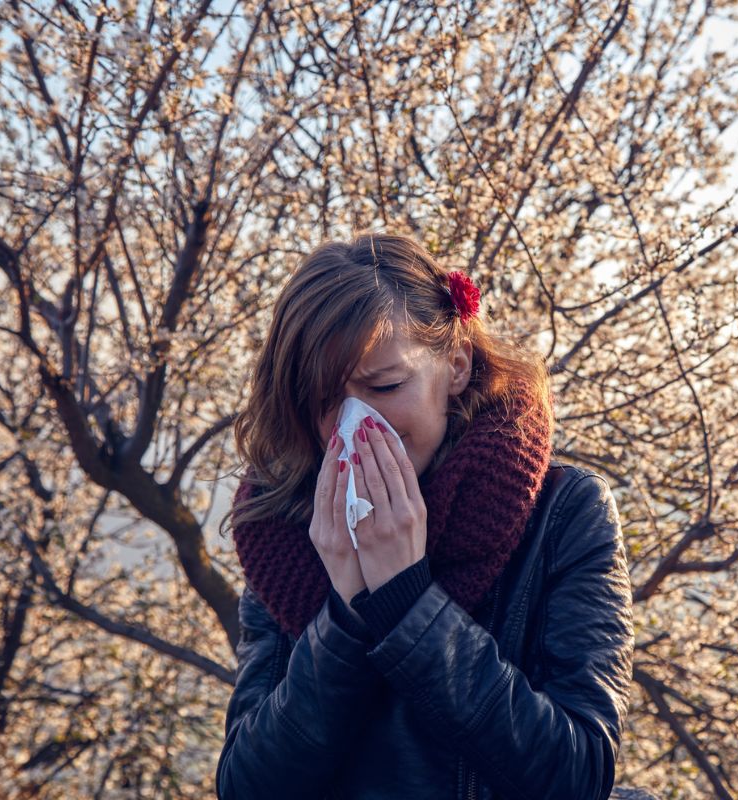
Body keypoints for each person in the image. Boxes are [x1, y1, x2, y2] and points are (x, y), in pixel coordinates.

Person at [215, 233, 636, 799]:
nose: (355, 425)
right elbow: (247, 786)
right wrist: (344, 616)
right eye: (323, 400)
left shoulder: (565, 514)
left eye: (385, 385)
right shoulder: (284, 525)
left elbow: (576, 774)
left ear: (456, 366)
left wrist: (407, 601)